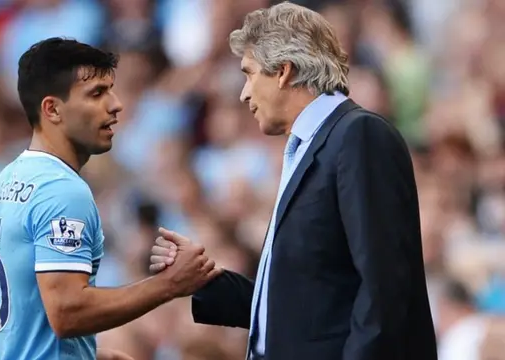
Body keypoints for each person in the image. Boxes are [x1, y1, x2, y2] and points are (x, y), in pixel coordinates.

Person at [149, 3, 437, 360]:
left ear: (284, 71)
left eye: (249, 73)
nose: (244, 94)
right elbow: (310, 303)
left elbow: (385, 289)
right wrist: (204, 280)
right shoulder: (307, 147)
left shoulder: (358, 135)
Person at [0, 38, 222, 360]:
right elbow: (67, 312)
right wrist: (168, 285)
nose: (115, 104)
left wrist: (82, 354)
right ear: (52, 109)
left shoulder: (4, 182)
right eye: (97, 94)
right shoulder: (61, 190)